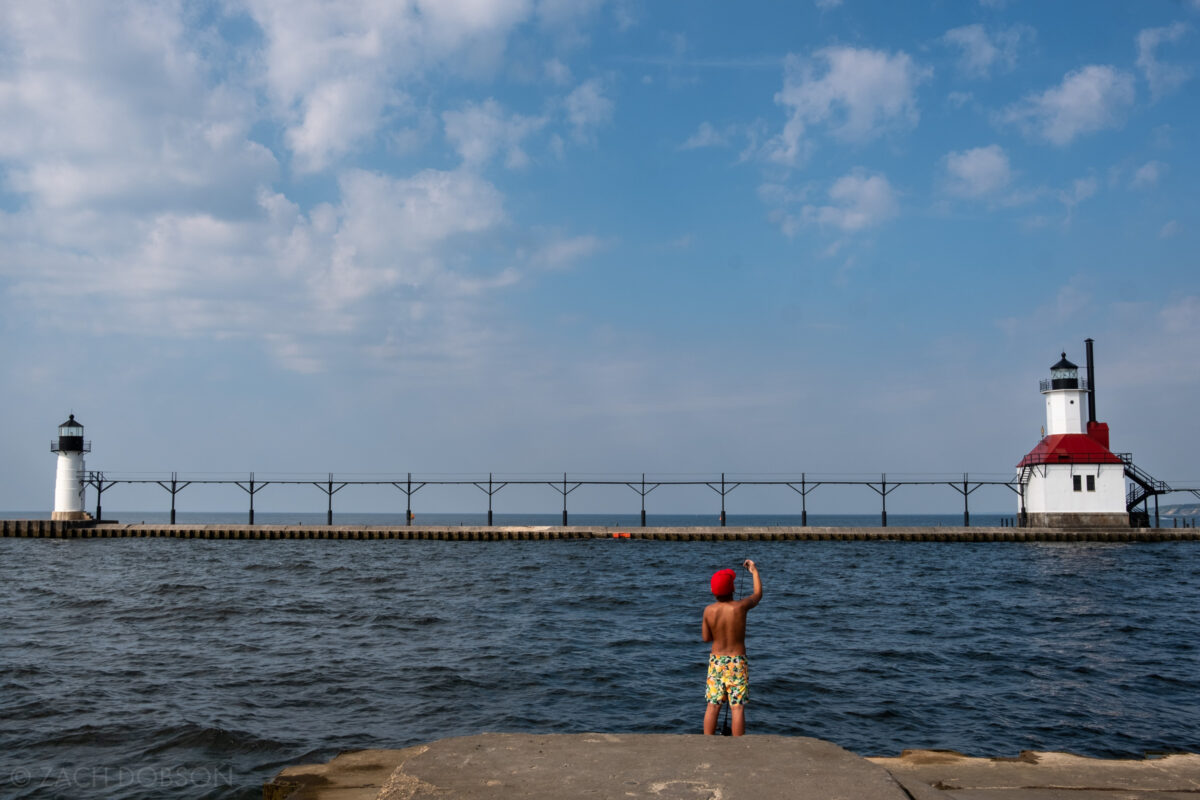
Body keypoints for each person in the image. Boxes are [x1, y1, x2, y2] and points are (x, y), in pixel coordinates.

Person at [702, 559, 762, 736]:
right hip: (737, 662)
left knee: (713, 705)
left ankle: (706, 742)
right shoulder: (740, 607)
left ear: (713, 592)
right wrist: (754, 572)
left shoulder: (709, 611)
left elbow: (706, 637)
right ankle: (738, 748)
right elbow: (758, 595)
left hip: (716, 662)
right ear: (733, 589)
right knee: (737, 708)